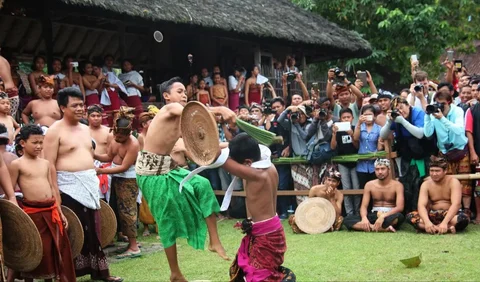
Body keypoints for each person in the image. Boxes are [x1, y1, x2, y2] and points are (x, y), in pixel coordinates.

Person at [135, 77, 231, 281]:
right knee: (166, 219)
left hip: (168, 168)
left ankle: (214, 240)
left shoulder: (181, 123)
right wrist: (220, 110)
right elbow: (193, 112)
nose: (184, 94)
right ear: (167, 96)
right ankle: (175, 273)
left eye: (185, 91)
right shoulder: (168, 110)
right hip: (150, 173)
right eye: (179, 91)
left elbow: (199, 144)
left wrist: (233, 145)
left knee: (202, 184)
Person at [43, 87, 122, 282]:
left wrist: (116, 147)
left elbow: (94, 156)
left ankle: (100, 272)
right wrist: (56, 194)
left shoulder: (86, 129)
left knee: (94, 231)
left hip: (89, 184)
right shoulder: (54, 132)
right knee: (73, 232)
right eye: (75, 105)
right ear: (62, 107)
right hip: (67, 186)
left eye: (81, 104)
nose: (80, 108)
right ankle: (68, 275)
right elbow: (49, 165)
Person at [222, 133, 294, 282]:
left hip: (266, 236)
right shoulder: (270, 166)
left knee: (259, 277)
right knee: (243, 273)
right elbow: (226, 150)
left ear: (247, 162)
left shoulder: (256, 174)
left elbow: (218, 159)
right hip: (268, 229)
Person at [9, 125, 76, 282]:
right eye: (35, 142)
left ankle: (51, 279)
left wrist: (59, 210)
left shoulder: (45, 163)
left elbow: (53, 188)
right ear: (23, 143)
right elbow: (10, 191)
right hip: (32, 213)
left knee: (55, 248)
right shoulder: (17, 164)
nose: (39, 146)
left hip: (51, 210)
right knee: (36, 248)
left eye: (41, 142)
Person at [94, 107, 140, 259]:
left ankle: (134, 247)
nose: (118, 138)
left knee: (128, 211)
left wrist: (101, 171)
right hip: (116, 177)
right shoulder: (114, 139)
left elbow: (124, 166)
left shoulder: (133, 144)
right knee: (117, 209)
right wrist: (92, 153)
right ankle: (125, 239)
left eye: (122, 136)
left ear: (129, 133)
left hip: (128, 179)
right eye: (116, 134)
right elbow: (108, 157)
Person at [423, 89, 471, 217]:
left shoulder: (458, 111)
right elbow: (427, 133)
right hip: (444, 152)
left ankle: (466, 210)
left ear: (450, 102)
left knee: (465, 183)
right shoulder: (434, 114)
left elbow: (459, 130)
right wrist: (427, 116)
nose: (439, 106)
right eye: (437, 103)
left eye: (442, 104)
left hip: (460, 149)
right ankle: (449, 211)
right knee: (445, 183)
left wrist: (443, 119)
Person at [406, 157, 469, 234]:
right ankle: (440, 228)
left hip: (450, 214)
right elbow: (421, 205)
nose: (434, 174)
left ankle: (433, 228)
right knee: (410, 216)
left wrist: (445, 222)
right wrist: (427, 222)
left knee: (463, 218)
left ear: (445, 171)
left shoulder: (453, 182)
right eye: (431, 171)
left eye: (437, 171)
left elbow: (456, 204)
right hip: (433, 214)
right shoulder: (426, 184)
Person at [344, 159, 405, 232]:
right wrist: (364, 218)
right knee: (347, 219)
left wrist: (383, 216)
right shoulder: (369, 185)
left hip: (389, 214)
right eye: (377, 169)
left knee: (399, 217)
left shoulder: (397, 185)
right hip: (374, 214)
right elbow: (364, 206)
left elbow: (400, 207)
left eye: (383, 169)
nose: (380, 172)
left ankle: (368, 227)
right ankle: (381, 228)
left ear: (389, 169)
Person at [331, 108, 359, 216]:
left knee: (356, 187)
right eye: (344, 117)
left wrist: (352, 135)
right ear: (340, 119)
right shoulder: (337, 130)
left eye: (348, 117)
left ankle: (357, 212)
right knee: (346, 189)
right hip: (342, 162)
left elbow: (357, 146)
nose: (346, 119)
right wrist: (333, 134)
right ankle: (349, 214)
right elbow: (333, 147)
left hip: (355, 162)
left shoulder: (355, 128)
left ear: (352, 118)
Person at [136, 111, 157, 237]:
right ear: (144, 124)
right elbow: (139, 155)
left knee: (157, 198)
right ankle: (146, 227)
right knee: (144, 200)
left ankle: (158, 226)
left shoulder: (156, 135)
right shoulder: (139, 137)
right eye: (151, 122)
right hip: (143, 170)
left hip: (156, 169)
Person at [354, 105, 383, 189]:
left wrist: (377, 151)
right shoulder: (359, 126)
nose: (368, 117)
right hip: (361, 165)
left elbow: (380, 146)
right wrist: (359, 123)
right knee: (363, 188)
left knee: (375, 188)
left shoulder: (379, 129)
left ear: (374, 116)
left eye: (370, 114)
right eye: (365, 115)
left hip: (375, 164)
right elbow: (355, 138)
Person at [87, 105, 112, 200]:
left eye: (98, 116)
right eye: (93, 116)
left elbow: (111, 153)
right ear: (87, 116)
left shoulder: (108, 131)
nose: (96, 118)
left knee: (109, 198)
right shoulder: (83, 131)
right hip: (89, 166)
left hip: (106, 166)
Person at [118, 59, 144, 129]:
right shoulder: (120, 76)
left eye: (128, 64)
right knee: (127, 116)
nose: (126, 66)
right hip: (124, 97)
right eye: (124, 65)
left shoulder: (136, 75)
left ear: (132, 65)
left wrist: (133, 85)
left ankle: (139, 130)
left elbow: (142, 89)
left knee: (137, 115)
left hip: (134, 96)